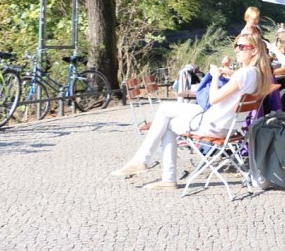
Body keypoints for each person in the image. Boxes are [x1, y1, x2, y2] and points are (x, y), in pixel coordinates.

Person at [111, 32, 274, 189]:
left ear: (254, 50)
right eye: (236, 46)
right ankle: (143, 162)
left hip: (214, 126)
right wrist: (229, 72)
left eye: (241, 46)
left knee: (166, 123)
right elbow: (238, 82)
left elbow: (213, 99)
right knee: (165, 110)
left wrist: (215, 75)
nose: (236, 49)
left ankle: (157, 171)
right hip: (229, 125)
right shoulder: (258, 73)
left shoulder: (244, 73)